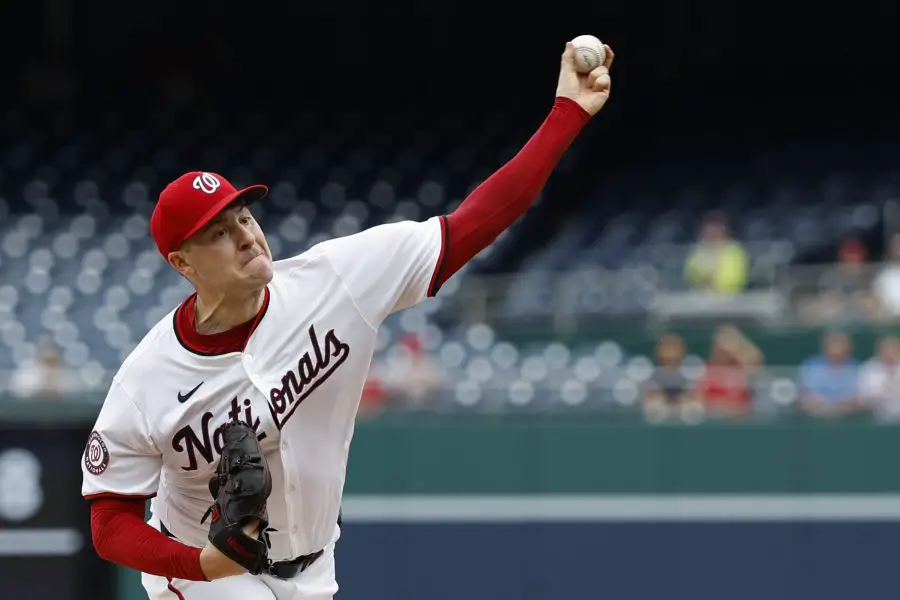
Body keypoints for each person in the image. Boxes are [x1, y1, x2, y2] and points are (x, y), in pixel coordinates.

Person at [81, 39, 615, 600]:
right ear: (182, 262)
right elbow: (110, 522)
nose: (245, 235)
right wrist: (201, 564)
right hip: (204, 578)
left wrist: (567, 113)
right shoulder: (147, 379)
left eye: (243, 215)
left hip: (313, 568)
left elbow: (473, 223)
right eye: (218, 231)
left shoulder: (335, 281)